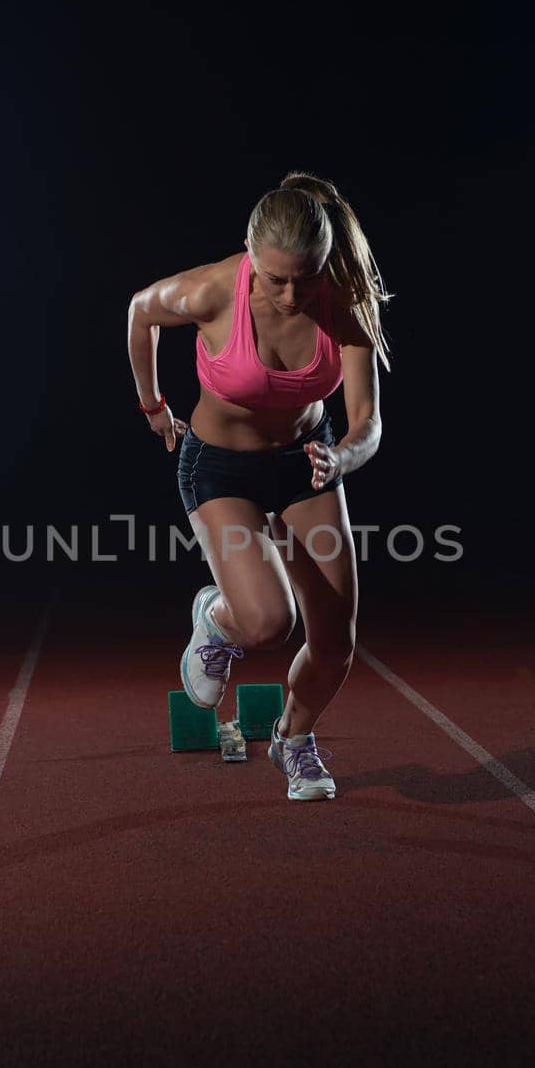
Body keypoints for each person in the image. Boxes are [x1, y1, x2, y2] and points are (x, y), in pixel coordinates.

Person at [127, 171, 391, 801]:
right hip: (220, 466)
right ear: (250, 255)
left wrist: (343, 458)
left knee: (335, 642)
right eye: (276, 279)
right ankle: (216, 619)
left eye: (308, 275)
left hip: (307, 463)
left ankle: (293, 741)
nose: (293, 293)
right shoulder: (212, 290)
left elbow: (368, 422)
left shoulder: (345, 300)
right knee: (271, 622)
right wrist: (154, 407)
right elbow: (140, 312)